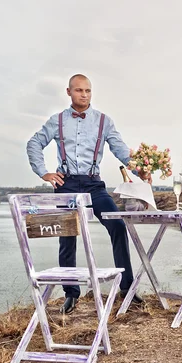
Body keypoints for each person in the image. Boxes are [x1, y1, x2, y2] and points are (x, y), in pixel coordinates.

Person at [26, 74, 146, 314]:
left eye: (88, 91)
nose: (84, 94)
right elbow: (34, 143)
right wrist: (44, 173)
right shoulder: (57, 120)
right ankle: (71, 294)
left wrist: (141, 169)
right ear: (69, 92)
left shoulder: (103, 121)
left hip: (93, 185)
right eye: (79, 90)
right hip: (67, 185)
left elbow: (121, 150)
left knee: (118, 226)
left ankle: (127, 289)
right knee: (67, 237)